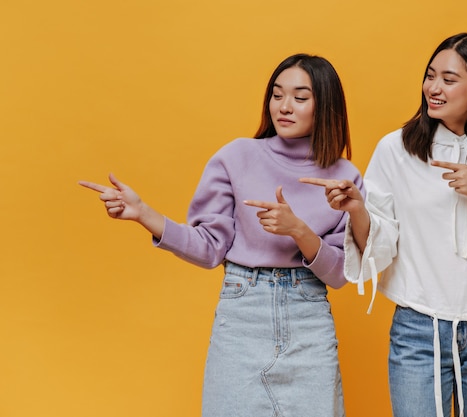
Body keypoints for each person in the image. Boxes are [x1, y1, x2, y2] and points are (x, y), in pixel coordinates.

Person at [301, 33, 467, 417]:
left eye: (449, 79)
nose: (434, 88)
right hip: (417, 331)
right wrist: (358, 209)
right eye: (431, 76)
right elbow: (377, 242)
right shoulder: (397, 150)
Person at [79, 53, 363, 417]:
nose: (285, 106)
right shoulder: (236, 156)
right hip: (242, 314)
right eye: (277, 95)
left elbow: (340, 274)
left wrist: (298, 230)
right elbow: (210, 248)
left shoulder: (345, 177)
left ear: (325, 106)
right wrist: (144, 214)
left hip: (309, 319)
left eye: (300, 97)